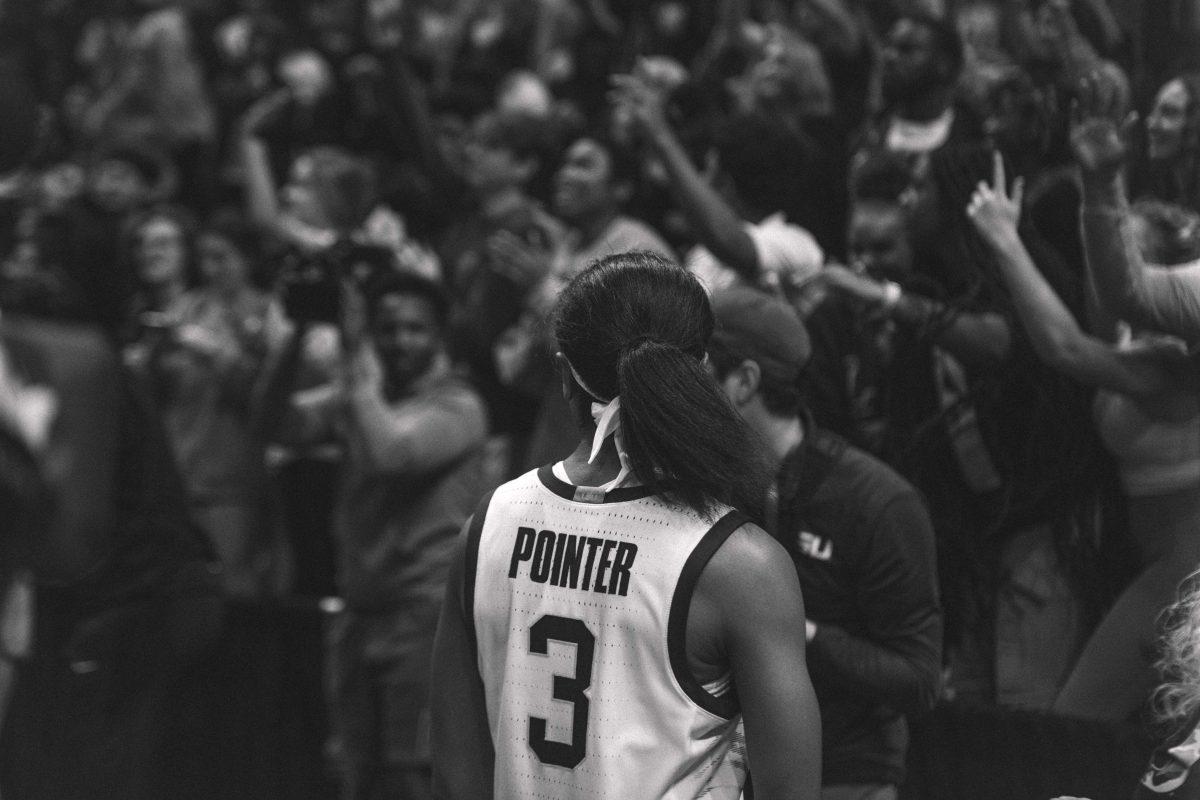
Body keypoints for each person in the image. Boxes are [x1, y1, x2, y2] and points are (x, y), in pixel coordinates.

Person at [430, 251, 822, 800]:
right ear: (702, 369)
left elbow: (456, 775)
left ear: (565, 375)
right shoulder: (736, 561)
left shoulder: (487, 524)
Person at [967, 151, 1200, 722]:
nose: (1109, 269)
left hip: (1184, 569)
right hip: (1143, 554)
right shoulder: (1126, 332)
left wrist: (1006, 240)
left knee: (1078, 720)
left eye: (1128, 258)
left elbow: (1064, 348)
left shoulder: (1175, 362)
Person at [708, 284, 942, 800]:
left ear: (743, 382)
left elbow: (917, 679)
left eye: (694, 372)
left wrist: (797, 630)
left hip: (844, 771)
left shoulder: (875, 501)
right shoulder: (696, 485)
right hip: (719, 768)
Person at [264, 269, 488, 800]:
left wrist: (352, 349)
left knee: (412, 775)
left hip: (424, 616)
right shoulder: (361, 396)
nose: (398, 342)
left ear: (440, 337)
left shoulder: (458, 405)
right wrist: (297, 336)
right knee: (354, 771)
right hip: (359, 612)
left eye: (414, 329)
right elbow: (272, 426)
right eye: (386, 329)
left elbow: (392, 454)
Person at [1073, 72, 1200, 343]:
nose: (1152, 123)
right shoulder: (1162, 198)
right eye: (1153, 110)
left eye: (1169, 112)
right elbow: (1111, 320)